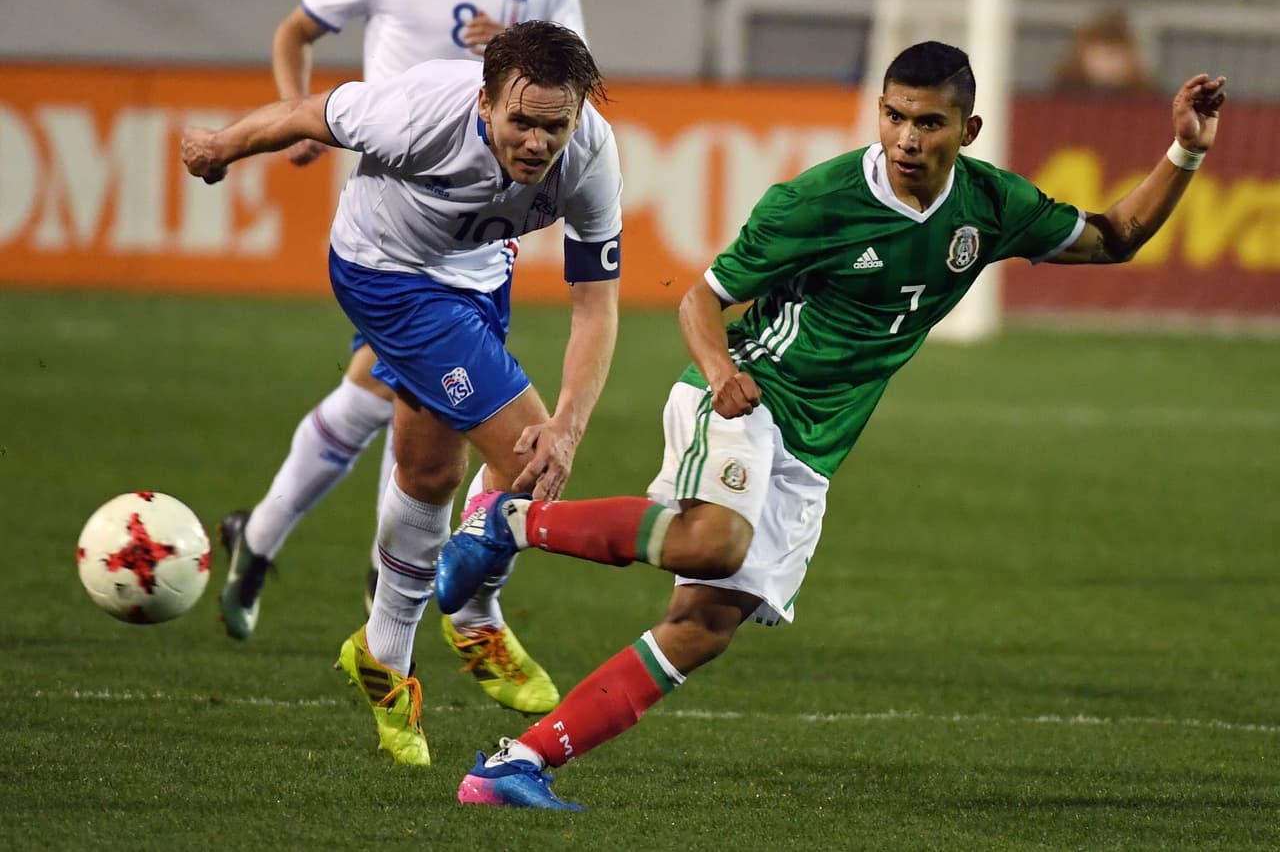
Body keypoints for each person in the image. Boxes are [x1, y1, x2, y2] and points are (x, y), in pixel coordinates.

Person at [432, 40, 1227, 809]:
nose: (907, 138)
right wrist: (720, 373)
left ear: (968, 131)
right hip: (751, 394)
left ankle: (516, 763)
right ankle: (509, 521)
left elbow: (1115, 237)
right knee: (714, 540)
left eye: (928, 123)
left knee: (703, 624)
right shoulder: (817, 201)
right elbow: (700, 299)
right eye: (895, 117)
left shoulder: (993, 206)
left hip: (815, 449)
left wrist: (1184, 151)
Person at [181, 20, 622, 765]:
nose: (539, 143)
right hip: (386, 275)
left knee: (429, 472)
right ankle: (476, 614)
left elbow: (596, 303)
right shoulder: (417, 112)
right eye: (521, 121)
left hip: (479, 277)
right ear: (485, 104)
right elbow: (304, 114)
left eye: (556, 126)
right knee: (525, 460)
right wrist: (220, 146)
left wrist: (574, 422)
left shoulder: (592, 153)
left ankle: (384, 655)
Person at [1052, 8, 1154, 94]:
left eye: (1115, 55)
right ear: (1082, 56)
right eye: (1101, 54)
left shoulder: (1147, 100)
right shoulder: (1061, 97)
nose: (1108, 64)